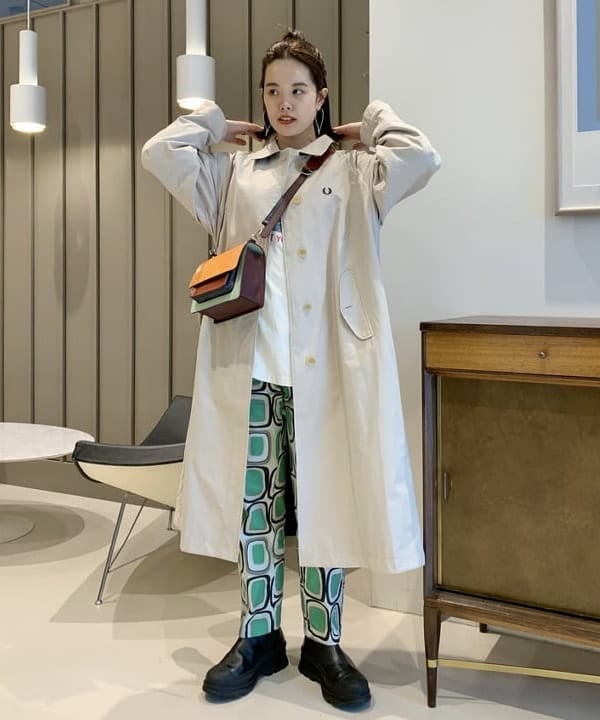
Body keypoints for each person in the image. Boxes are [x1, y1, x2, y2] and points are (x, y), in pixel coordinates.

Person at [142, 30, 440, 710]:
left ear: (321, 97)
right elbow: (160, 153)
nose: (284, 102)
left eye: (298, 90)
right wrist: (214, 125)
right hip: (250, 369)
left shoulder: (355, 170)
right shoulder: (235, 173)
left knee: (328, 503)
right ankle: (258, 637)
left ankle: (325, 644)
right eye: (273, 90)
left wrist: (372, 123)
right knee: (257, 511)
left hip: (328, 372)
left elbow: (422, 156)